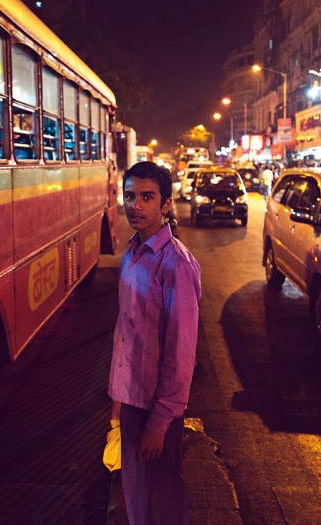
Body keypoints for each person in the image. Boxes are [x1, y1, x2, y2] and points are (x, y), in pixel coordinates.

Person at [109, 161, 201, 525]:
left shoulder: (175, 264)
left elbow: (181, 354)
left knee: (161, 502)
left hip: (156, 409)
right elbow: (127, 333)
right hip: (131, 401)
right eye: (130, 196)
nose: (136, 205)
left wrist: (159, 423)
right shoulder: (132, 253)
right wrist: (117, 403)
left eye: (147, 197)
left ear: (165, 204)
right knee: (136, 495)